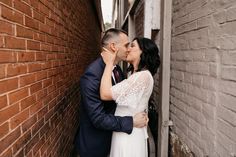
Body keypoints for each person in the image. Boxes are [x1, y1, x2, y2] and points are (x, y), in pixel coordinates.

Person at [74, 29, 148, 157]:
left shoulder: (117, 69)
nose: (128, 49)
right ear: (113, 46)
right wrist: (131, 121)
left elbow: (122, 98)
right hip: (95, 146)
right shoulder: (92, 75)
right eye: (126, 45)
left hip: (114, 139)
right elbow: (98, 118)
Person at [100, 37, 160, 157]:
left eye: (132, 46)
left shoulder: (142, 76)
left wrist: (109, 63)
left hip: (129, 136)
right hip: (126, 130)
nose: (128, 49)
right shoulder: (133, 75)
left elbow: (105, 94)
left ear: (143, 52)